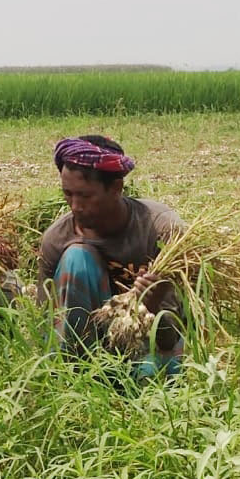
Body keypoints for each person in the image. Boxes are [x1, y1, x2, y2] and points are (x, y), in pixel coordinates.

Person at [38, 135, 185, 378]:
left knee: (156, 376)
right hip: (89, 349)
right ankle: (73, 377)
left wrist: (152, 306)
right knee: (76, 257)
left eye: (85, 196)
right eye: (68, 194)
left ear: (116, 188)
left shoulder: (160, 230)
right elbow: (45, 326)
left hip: (147, 344)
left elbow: (171, 338)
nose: (74, 206)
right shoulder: (57, 239)